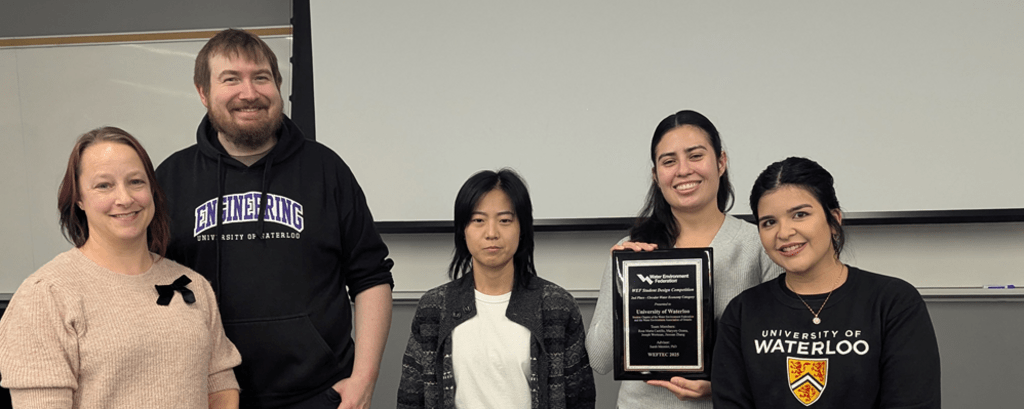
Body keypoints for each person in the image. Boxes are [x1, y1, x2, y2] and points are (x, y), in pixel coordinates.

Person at [155, 29, 395, 409]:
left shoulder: (326, 169)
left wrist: (364, 379)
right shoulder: (170, 178)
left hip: (320, 395)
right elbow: (145, 286)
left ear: (278, 86)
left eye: (261, 77)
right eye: (230, 79)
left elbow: (372, 277)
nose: (249, 93)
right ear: (203, 92)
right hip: (209, 397)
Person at [0, 127, 241, 408]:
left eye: (136, 182)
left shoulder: (192, 284)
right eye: (104, 185)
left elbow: (220, 386)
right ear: (78, 197)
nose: (125, 198)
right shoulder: (45, 296)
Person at [587, 110, 781, 407]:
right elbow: (599, 359)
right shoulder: (633, 250)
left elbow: (776, 354)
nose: (683, 170)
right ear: (656, 175)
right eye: (668, 161)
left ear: (721, 162)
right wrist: (622, 284)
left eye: (695, 156)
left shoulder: (758, 245)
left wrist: (720, 384)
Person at [711, 157, 941, 408]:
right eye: (769, 222)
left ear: (833, 220)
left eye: (800, 214)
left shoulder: (893, 302)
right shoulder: (742, 312)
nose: (784, 233)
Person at [397, 169, 596, 409]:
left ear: (521, 229)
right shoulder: (434, 308)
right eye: (478, 220)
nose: (492, 233)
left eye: (504, 220)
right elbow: (410, 401)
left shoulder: (557, 306)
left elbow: (581, 399)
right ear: (463, 230)